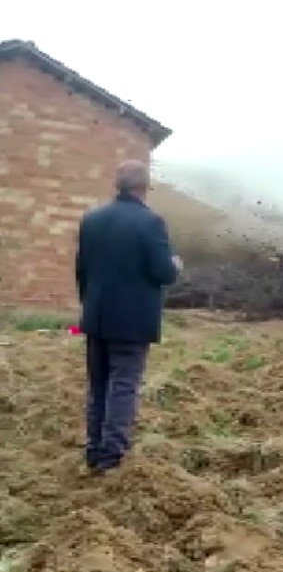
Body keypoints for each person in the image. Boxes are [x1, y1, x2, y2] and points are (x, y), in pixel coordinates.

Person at [75, 160, 182, 473]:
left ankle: (94, 450)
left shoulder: (92, 220)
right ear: (144, 187)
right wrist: (175, 264)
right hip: (132, 322)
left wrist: (89, 304)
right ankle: (112, 456)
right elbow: (162, 272)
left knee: (98, 385)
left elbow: (81, 270)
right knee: (123, 385)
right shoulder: (151, 222)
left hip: (96, 316)